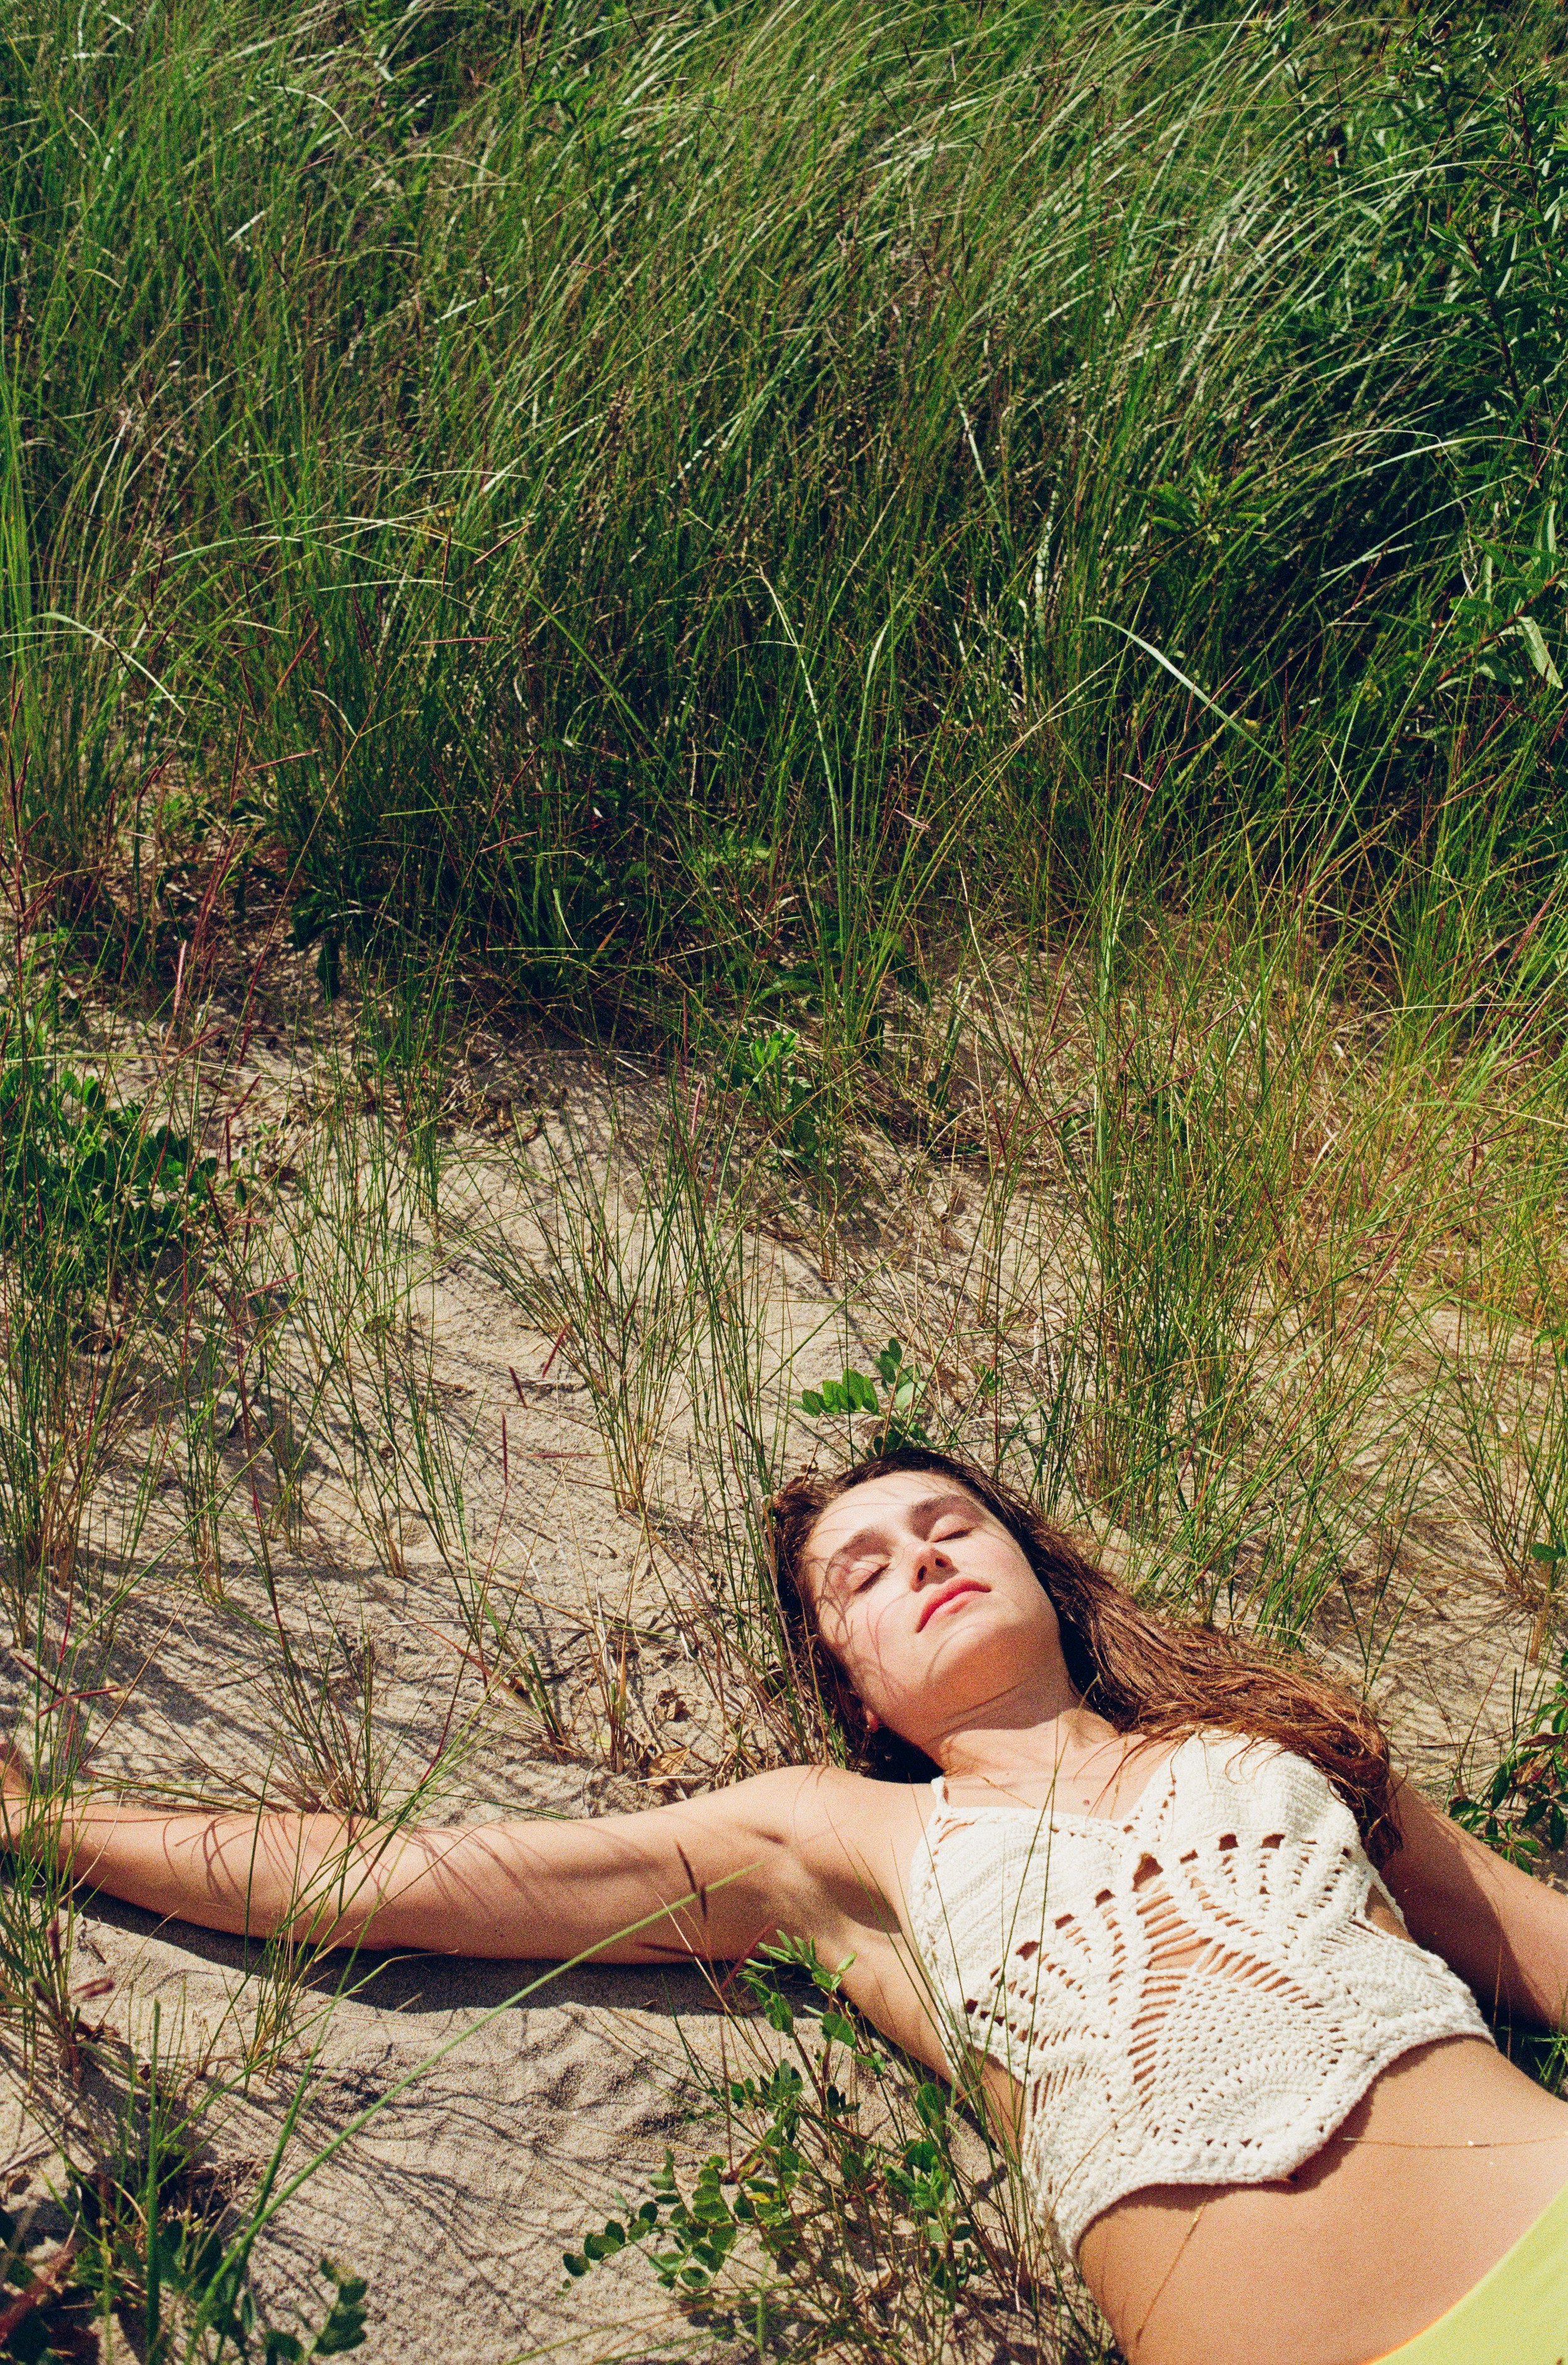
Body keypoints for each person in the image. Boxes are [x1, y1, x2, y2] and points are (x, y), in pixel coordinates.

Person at [6, 1447, 1568, 2365]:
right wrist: (45, 1822)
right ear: (854, 1687)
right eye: (862, 1569)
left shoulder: (1260, 1736)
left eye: (950, 1524)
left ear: (1037, 1562)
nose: (921, 1557)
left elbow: (1521, 1931)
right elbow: (426, 1874)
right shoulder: (838, 1837)